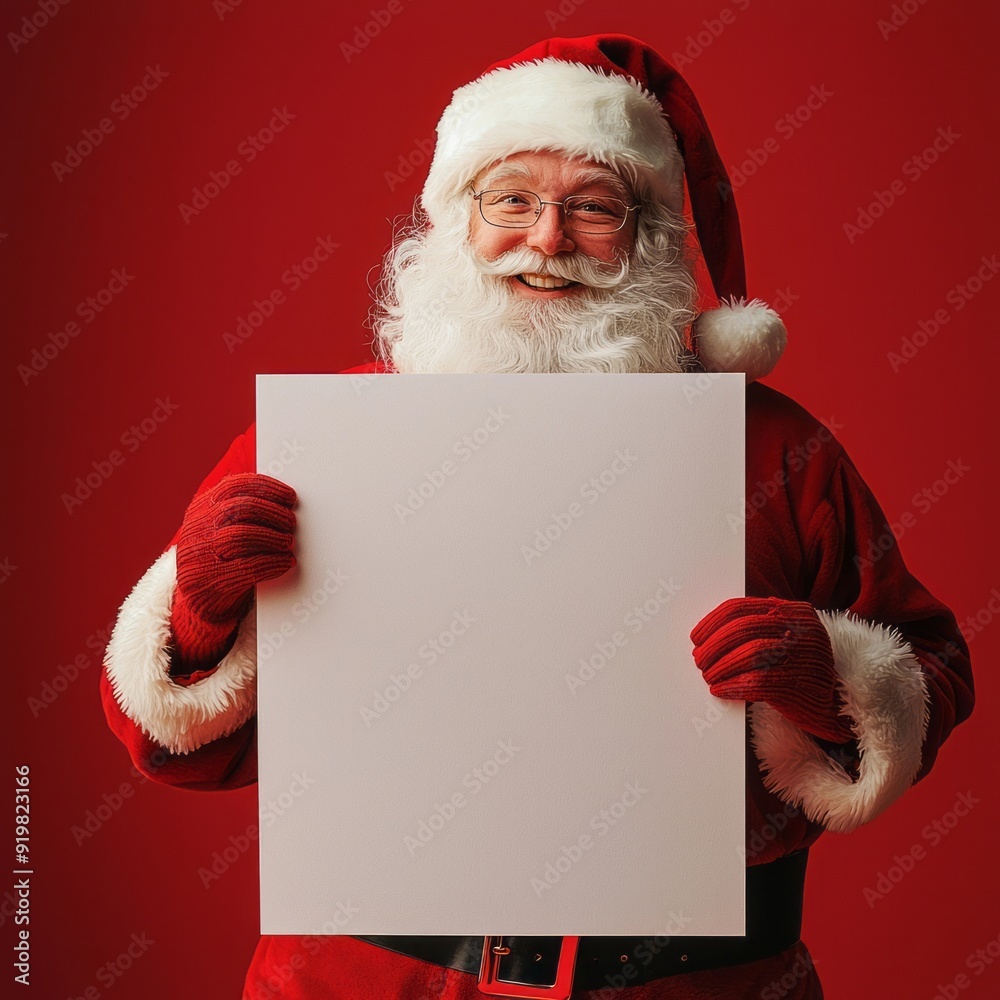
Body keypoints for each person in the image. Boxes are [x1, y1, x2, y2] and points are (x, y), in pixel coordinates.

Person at [99, 33, 974, 1000]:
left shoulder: (779, 450)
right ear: (454, 222)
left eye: (593, 208)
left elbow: (931, 666)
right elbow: (173, 747)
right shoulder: (321, 444)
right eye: (510, 198)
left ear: (648, 237)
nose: (547, 241)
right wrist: (198, 612)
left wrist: (836, 681)